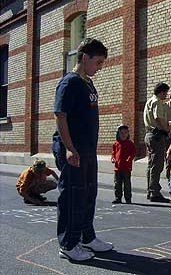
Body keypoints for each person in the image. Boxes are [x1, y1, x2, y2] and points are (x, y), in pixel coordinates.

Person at [53, 38, 113, 262]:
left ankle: (87, 237)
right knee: (72, 197)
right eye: (98, 62)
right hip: (73, 150)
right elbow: (61, 116)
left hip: (88, 150)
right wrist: (69, 148)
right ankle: (68, 244)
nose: (100, 67)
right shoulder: (69, 83)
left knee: (88, 195)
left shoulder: (88, 83)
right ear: (85, 57)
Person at [143, 82, 171, 203]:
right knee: (157, 164)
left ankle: (151, 190)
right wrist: (166, 129)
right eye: (166, 93)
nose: (166, 95)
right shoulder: (157, 102)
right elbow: (158, 118)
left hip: (149, 134)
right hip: (157, 135)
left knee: (151, 164)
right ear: (161, 92)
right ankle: (154, 192)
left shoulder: (149, 101)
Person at [111, 124, 136, 204]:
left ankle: (128, 198)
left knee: (127, 184)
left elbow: (133, 153)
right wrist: (113, 158)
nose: (123, 135)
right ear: (118, 134)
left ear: (128, 134)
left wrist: (130, 158)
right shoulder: (116, 144)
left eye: (125, 133)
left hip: (126, 168)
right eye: (121, 133)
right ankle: (118, 197)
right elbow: (113, 153)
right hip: (117, 168)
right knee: (117, 184)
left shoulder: (130, 144)